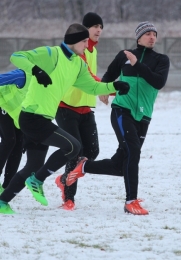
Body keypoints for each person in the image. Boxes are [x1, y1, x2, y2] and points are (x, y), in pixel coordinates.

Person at [0, 23, 130, 214]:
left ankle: (3, 201)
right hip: (31, 118)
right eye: (84, 41)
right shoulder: (51, 54)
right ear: (74, 41)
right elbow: (17, 56)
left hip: (42, 119)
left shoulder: (78, 64)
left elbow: (93, 88)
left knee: (33, 165)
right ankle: (38, 179)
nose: (87, 45)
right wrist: (36, 70)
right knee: (73, 146)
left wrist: (114, 86)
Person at [65, 21, 170, 215]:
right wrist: (104, 89)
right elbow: (109, 74)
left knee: (121, 165)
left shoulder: (161, 59)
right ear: (139, 37)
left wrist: (137, 65)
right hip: (122, 110)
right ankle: (131, 201)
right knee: (133, 153)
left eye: (154, 34)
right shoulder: (124, 56)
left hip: (144, 115)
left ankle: (84, 166)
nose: (152, 37)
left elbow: (158, 82)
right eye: (147, 34)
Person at [55, 12, 105, 211]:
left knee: (92, 151)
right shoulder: (79, 50)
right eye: (94, 26)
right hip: (66, 107)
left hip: (85, 108)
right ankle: (69, 198)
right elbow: (89, 75)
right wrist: (106, 87)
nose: (99, 30)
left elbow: (92, 76)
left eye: (101, 26)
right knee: (74, 153)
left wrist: (102, 88)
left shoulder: (93, 50)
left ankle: (64, 179)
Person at [0, 70, 29, 194]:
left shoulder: (50, 83)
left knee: (19, 144)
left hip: (18, 114)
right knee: (9, 141)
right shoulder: (23, 75)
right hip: (3, 104)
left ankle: (7, 186)